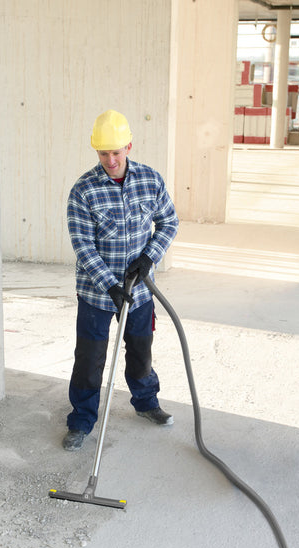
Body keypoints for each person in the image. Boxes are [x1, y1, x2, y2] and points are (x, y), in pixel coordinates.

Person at [62, 109, 180, 451]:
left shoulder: (150, 180)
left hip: (140, 291)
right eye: (103, 153)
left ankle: (146, 403)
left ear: (129, 146)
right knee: (90, 359)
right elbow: (82, 245)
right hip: (97, 294)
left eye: (116, 152)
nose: (110, 160)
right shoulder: (84, 190)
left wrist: (149, 257)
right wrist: (110, 285)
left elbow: (169, 222)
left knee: (141, 350)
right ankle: (81, 420)